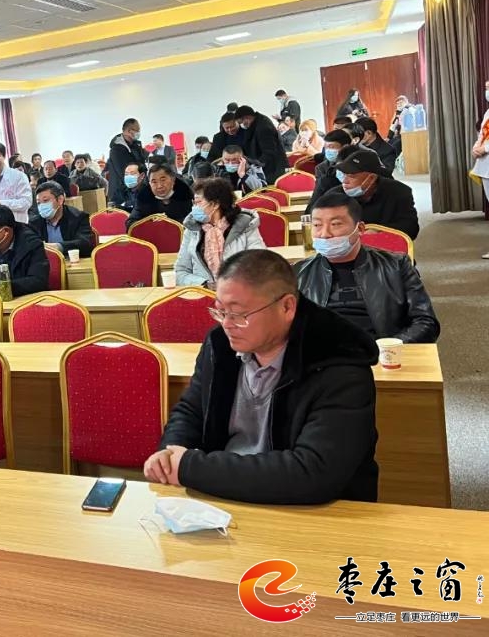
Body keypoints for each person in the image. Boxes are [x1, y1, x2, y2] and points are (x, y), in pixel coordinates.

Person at [143, 250, 379, 504]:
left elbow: (313, 473)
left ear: (287, 307)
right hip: (223, 491)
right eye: (220, 311)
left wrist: (191, 467)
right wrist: (169, 455)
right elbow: (191, 410)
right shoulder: (220, 346)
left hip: (313, 508)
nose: (227, 324)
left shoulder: (338, 362)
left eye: (238, 314)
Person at [296, 192, 439, 343]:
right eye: (317, 225)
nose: (324, 234)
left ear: (360, 229)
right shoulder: (298, 272)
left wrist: (390, 347)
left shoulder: (396, 265)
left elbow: (426, 322)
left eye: (335, 224)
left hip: (380, 352)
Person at [175, 178, 266, 287]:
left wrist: (231, 284)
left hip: (239, 291)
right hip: (203, 292)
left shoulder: (245, 226)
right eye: (194, 203)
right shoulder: (192, 229)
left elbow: (260, 266)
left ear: (215, 204)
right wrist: (204, 284)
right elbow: (180, 271)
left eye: (198, 202)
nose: (194, 208)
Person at [324, 149, 419, 239]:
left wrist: (379, 231)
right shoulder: (333, 197)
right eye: (344, 175)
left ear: (372, 178)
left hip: (386, 244)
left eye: (352, 176)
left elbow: (411, 228)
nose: (345, 181)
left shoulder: (399, 192)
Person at [0, 202, 49, 298]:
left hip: (23, 299)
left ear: (6, 231)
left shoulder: (31, 245)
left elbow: (38, 281)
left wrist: (3, 288)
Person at [30, 181, 95, 258]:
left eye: (46, 201)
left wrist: (58, 247)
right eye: (38, 203)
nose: (41, 206)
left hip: (72, 261)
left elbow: (85, 243)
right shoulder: (34, 222)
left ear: (60, 199)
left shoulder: (78, 217)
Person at [234, 105, 284, 183]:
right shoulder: (256, 123)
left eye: (241, 122)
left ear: (246, 118)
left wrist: (255, 166)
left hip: (272, 170)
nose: (241, 125)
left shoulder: (263, 127)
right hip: (265, 167)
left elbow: (269, 152)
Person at [129, 163, 193, 223]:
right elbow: (130, 222)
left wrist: (167, 222)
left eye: (163, 180)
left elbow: (194, 221)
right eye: (154, 182)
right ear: (150, 184)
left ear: (172, 180)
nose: (159, 186)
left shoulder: (185, 196)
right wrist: (151, 222)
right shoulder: (143, 199)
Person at [308, 129, 353, 209]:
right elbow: (318, 193)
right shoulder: (321, 168)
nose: (328, 151)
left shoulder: (357, 163)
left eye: (331, 147)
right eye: (326, 147)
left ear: (345, 147)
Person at [108, 118, 148, 205]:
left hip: (136, 189)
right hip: (122, 194)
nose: (139, 133)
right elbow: (125, 173)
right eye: (137, 130)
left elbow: (142, 161)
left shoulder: (135, 145)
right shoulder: (117, 150)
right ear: (130, 131)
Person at [473, 95, 489, 259]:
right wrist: (476, 147)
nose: (487, 92)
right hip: (485, 166)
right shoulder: (487, 113)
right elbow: (482, 135)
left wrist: (486, 148)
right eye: (486, 88)